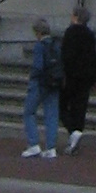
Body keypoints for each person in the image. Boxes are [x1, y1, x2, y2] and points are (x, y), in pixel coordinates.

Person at [60, 5, 96, 152]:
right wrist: (94, 78)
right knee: (80, 108)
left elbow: (65, 55)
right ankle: (76, 137)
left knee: (62, 105)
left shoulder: (70, 32)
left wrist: (63, 73)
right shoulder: (89, 34)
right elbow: (93, 57)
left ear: (76, 17)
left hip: (71, 76)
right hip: (86, 76)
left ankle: (72, 131)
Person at [21, 16, 61, 160]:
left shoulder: (39, 46)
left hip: (40, 83)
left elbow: (38, 66)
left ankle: (33, 144)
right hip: (54, 82)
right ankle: (51, 147)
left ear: (38, 33)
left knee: (29, 112)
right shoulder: (56, 45)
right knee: (52, 114)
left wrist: (32, 78)